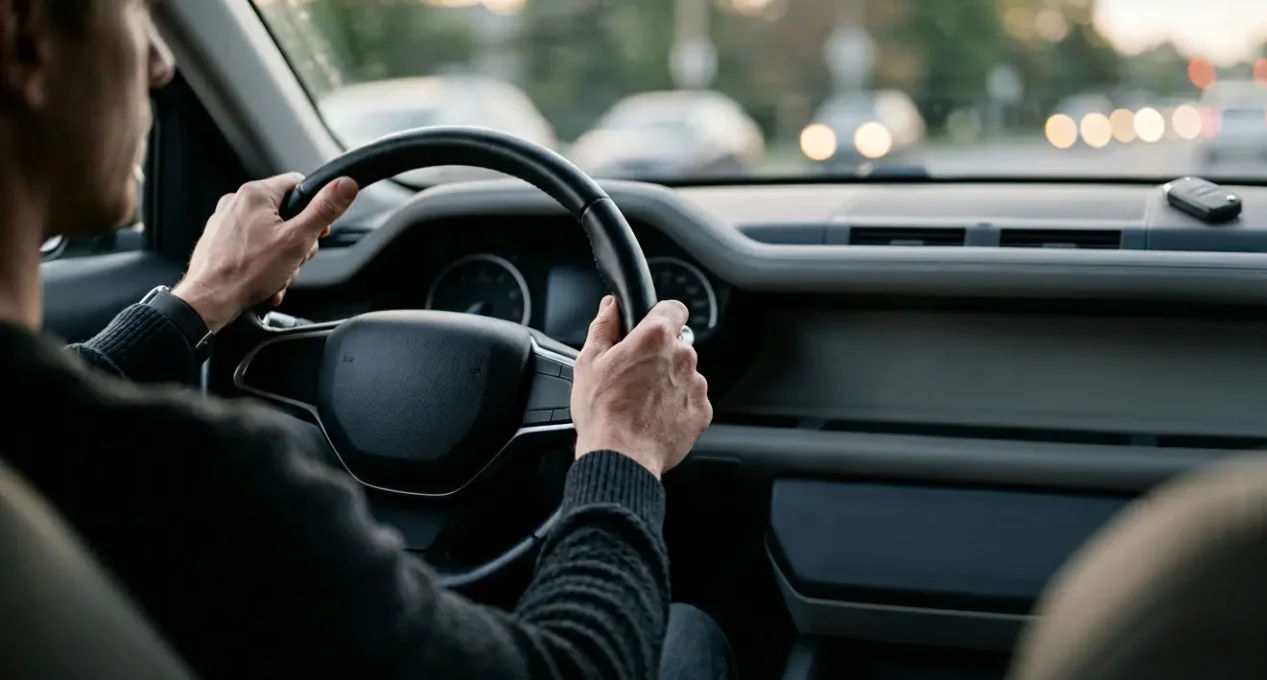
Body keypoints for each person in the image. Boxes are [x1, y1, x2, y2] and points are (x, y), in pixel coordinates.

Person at [0, 2, 732, 679]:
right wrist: (621, 448)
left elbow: (43, 406)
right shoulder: (214, 485)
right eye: (133, 11)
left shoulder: (59, 457)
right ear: (24, 36)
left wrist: (200, 302)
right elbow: (575, 666)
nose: (161, 63)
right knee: (684, 635)